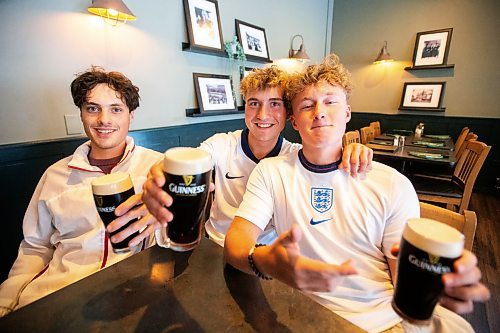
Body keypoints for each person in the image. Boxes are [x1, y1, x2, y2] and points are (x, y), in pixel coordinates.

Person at [223, 54, 491, 332]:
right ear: (294, 121)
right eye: (307, 105)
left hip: (381, 322)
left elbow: (403, 277)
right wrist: (266, 261)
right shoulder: (271, 172)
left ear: (348, 113)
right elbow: (237, 241)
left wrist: (435, 288)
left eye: (330, 101)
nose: (319, 112)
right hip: (298, 314)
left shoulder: (391, 184)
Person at [113, 66, 373, 248]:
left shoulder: (293, 156)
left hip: (269, 255)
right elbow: (192, 159)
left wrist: (351, 150)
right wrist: (161, 174)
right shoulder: (222, 144)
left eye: (274, 104)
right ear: (244, 108)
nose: (262, 115)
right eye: (253, 103)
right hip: (214, 247)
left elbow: (325, 161)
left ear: (289, 115)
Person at [0, 67, 162, 317]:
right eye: (93, 108)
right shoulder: (55, 175)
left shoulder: (156, 167)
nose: (103, 119)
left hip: (133, 294)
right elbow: (35, 247)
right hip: (58, 293)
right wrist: (7, 302)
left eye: (116, 109)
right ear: (82, 114)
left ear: (131, 115)